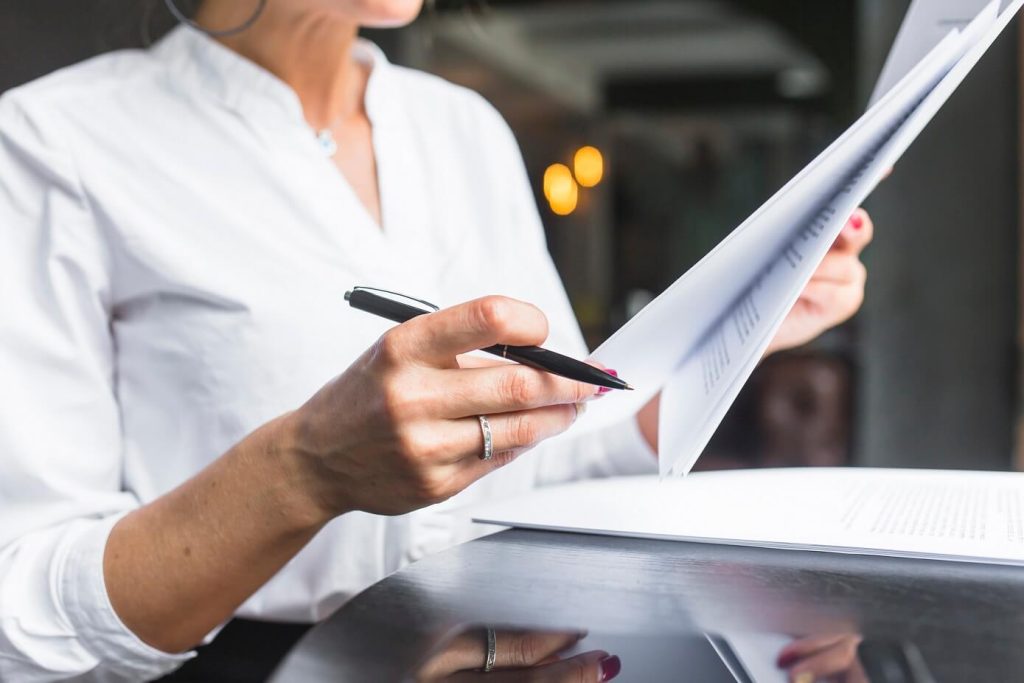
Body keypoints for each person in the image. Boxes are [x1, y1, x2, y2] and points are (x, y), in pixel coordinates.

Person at [0, 0, 873, 680]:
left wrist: (737, 332)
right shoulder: (53, 146)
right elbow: (22, 622)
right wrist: (303, 470)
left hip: (512, 650)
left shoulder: (463, 130)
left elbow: (551, 457)